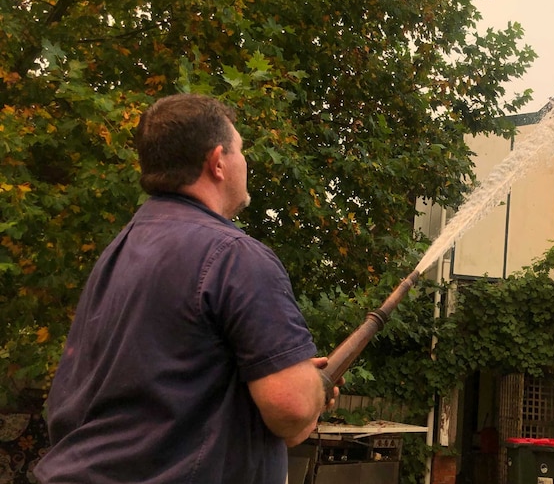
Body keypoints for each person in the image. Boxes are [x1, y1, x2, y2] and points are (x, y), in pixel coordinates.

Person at [36, 93, 337, 484]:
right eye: (241, 151)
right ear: (217, 163)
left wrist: (286, 373)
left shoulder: (120, 251)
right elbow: (292, 409)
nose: (246, 163)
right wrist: (313, 389)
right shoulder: (235, 256)